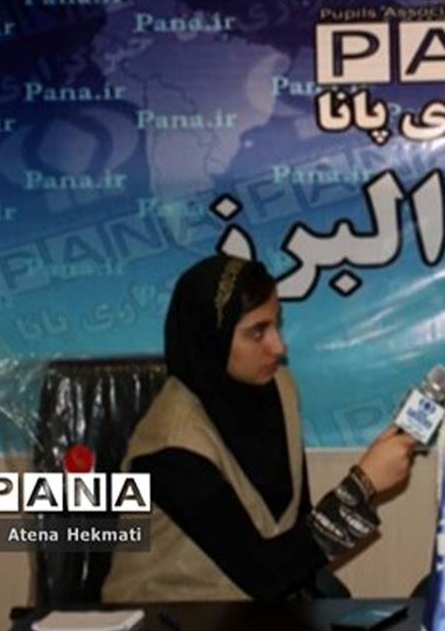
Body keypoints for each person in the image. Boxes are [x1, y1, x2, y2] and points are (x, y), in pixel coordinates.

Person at [103, 255, 416, 603]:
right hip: (168, 622)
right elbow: (263, 574)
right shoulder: (171, 446)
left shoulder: (279, 388)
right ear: (212, 339)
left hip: (255, 616)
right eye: (257, 332)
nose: (279, 347)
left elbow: (298, 527)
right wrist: (363, 485)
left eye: (276, 324)